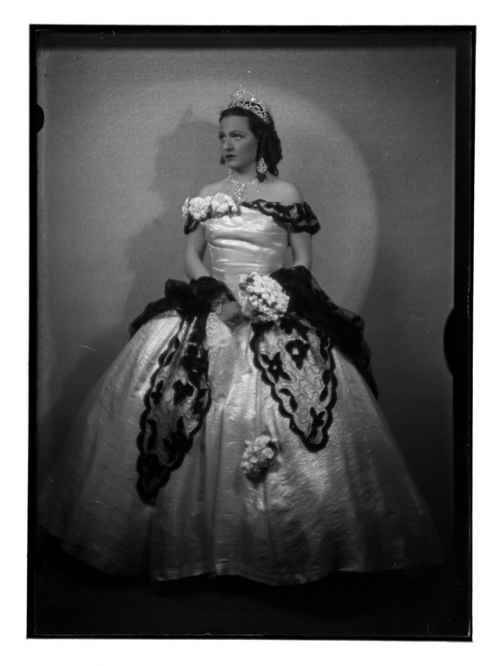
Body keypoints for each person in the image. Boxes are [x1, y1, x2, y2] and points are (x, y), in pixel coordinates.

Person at [40, 88, 441, 585]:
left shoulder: (287, 194)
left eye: (236, 136)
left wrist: (266, 297)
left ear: (260, 141)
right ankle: (192, 546)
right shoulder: (207, 193)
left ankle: (286, 551)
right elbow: (193, 257)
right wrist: (216, 296)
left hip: (272, 309)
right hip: (213, 307)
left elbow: (302, 261)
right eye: (222, 137)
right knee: (170, 403)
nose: (227, 145)